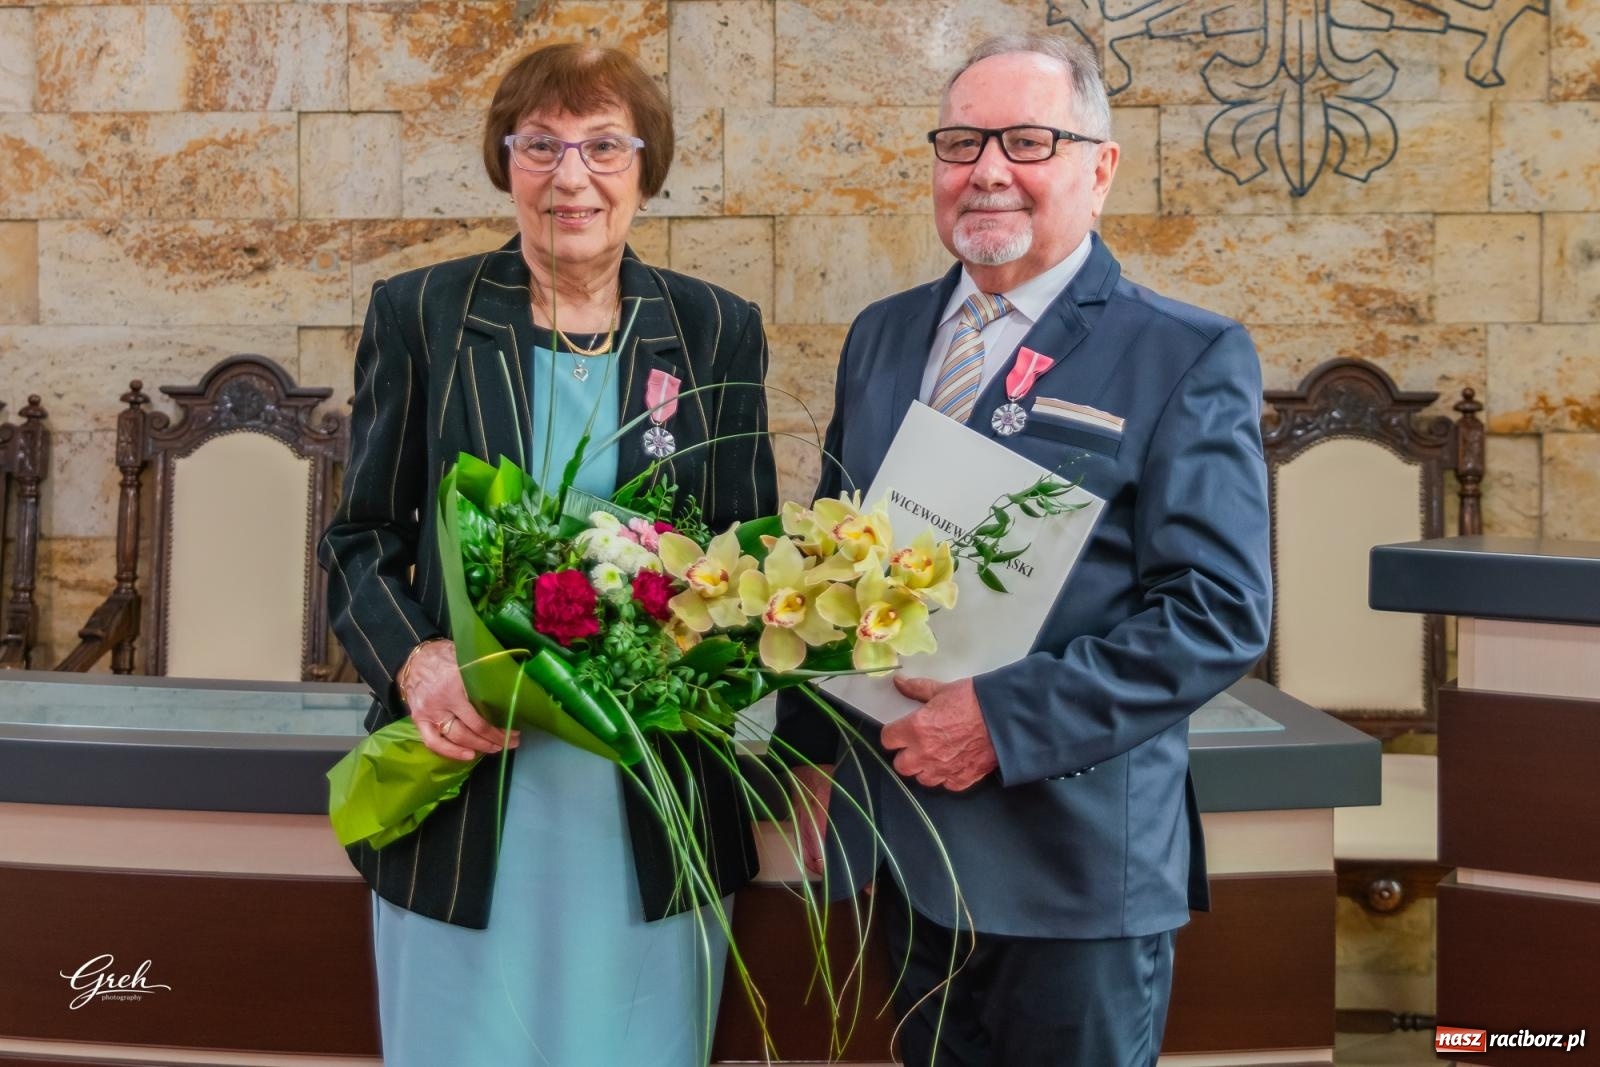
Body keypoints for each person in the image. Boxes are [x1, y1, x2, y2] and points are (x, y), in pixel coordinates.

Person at [779, 32, 1273, 1067]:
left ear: (1101, 168)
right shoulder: (883, 335)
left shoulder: (1183, 354)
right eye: (961, 142)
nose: (987, 169)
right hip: (903, 848)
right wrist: (815, 754)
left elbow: (1218, 610)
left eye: (1028, 141)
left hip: (1069, 864)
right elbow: (832, 557)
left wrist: (1002, 720)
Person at [320, 43, 777, 1067]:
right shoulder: (425, 314)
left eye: (604, 146)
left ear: (647, 168)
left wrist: (702, 662)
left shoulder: (713, 329)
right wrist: (418, 662)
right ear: (506, 161)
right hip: (474, 785)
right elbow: (360, 537)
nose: (572, 177)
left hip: (650, 790)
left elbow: (746, 554)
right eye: (541, 145)